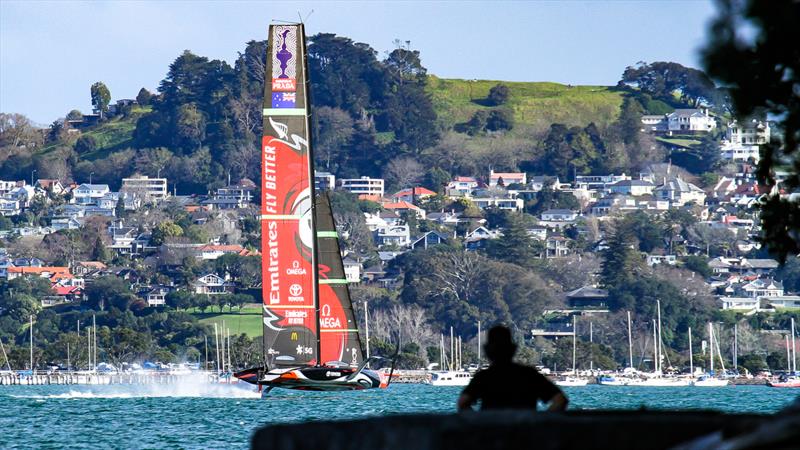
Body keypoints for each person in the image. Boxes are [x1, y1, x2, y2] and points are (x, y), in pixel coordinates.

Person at [457, 325, 568, 412]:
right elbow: (560, 400)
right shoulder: (530, 375)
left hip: (492, 436)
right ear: (513, 349)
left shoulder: (483, 377)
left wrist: (480, 423)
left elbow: (463, 403)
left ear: (487, 351)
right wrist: (540, 422)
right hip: (525, 435)